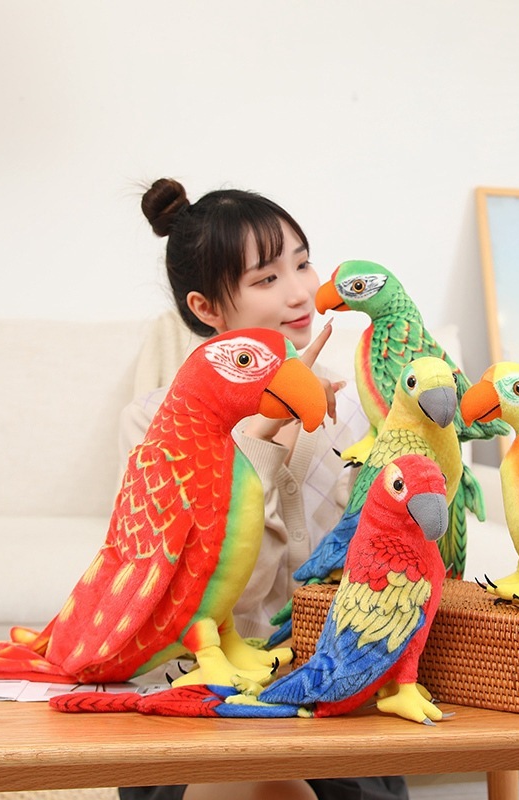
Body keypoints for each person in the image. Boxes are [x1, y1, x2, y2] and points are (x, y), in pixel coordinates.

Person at [118, 178, 408, 800]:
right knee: (255, 786)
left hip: (330, 687)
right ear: (207, 308)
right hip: (204, 687)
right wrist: (262, 433)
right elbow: (218, 597)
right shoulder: (153, 424)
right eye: (267, 278)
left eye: (302, 263)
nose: (301, 292)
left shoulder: (358, 406)